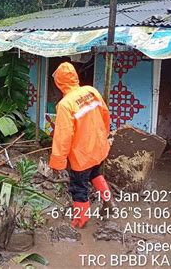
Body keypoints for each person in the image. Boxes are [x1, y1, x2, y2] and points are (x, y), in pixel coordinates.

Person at [49, 62, 113, 228]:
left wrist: (58, 163)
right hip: (97, 148)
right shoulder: (91, 91)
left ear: (59, 83)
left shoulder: (65, 105)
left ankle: (80, 220)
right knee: (95, 174)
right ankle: (108, 201)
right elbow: (106, 115)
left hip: (81, 155)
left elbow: (62, 137)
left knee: (78, 188)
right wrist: (103, 137)